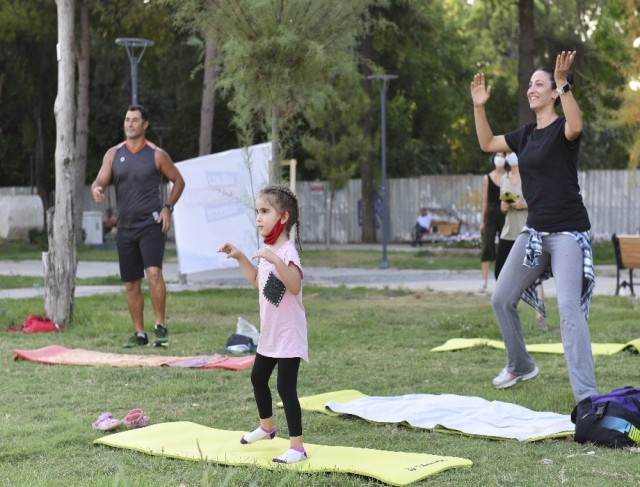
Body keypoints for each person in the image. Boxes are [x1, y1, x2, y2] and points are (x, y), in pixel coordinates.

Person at [470, 51, 597, 402]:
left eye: (539, 84)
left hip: (568, 232)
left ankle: (587, 398)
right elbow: (486, 144)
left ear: (554, 93)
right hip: (535, 233)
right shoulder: (525, 135)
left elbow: (576, 125)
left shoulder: (561, 129)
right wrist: (479, 106)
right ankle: (521, 364)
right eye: (530, 85)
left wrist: (562, 82)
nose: (531, 89)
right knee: (501, 298)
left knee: (569, 311)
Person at [218, 184, 308, 464]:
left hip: (289, 335)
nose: (258, 217)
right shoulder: (269, 249)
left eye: (265, 211)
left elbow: (293, 285)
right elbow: (258, 282)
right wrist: (242, 257)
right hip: (270, 335)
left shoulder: (287, 252)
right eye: (257, 211)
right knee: (258, 378)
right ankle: (267, 427)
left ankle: (297, 447)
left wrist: (274, 259)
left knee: (285, 388)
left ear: (283, 217)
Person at [91, 105, 185, 348]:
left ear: (145, 125)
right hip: (126, 228)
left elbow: (178, 181)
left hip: (151, 224)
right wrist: (97, 189)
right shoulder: (113, 154)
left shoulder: (156, 154)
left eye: (135, 120)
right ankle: (140, 334)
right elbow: (100, 180)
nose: (129, 124)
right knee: (131, 283)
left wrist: (167, 207)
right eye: (127, 120)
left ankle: (160, 327)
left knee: (153, 273)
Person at [494, 152, 549, 332]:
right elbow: (502, 205)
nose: (510, 156)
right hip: (508, 233)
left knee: (536, 277)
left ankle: (540, 316)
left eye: (512, 153)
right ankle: (508, 311)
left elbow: (539, 202)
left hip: (527, 232)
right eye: (508, 153)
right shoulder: (504, 179)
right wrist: (504, 206)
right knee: (500, 273)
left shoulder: (529, 177)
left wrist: (523, 204)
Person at [479, 152, 506, 291]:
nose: (500, 158)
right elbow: (484, 200)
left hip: (504, 213)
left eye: (502, 156)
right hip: (490, 213)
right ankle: (484, 282)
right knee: (487, 245)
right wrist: (482, 220)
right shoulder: (487, 178)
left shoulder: (508, 177)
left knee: (504, 246)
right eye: (498, 155)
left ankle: (502, 282)